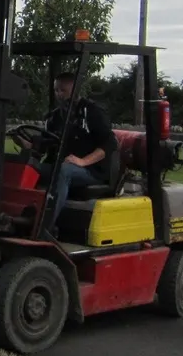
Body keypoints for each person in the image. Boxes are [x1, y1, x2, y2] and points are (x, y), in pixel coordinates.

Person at [17, 71, 115, 239]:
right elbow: (45, 145)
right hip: (61, 166)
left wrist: (83, 161)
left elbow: (109, 144)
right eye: (56, 90)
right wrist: (27, 145)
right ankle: (19, 218)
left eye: (62, 90)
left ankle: (44, 229)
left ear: (75, 89)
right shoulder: (56, 116)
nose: (58, 94)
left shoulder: (91, 112)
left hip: (92, 171)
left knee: (64, 170)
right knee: (29, 167)